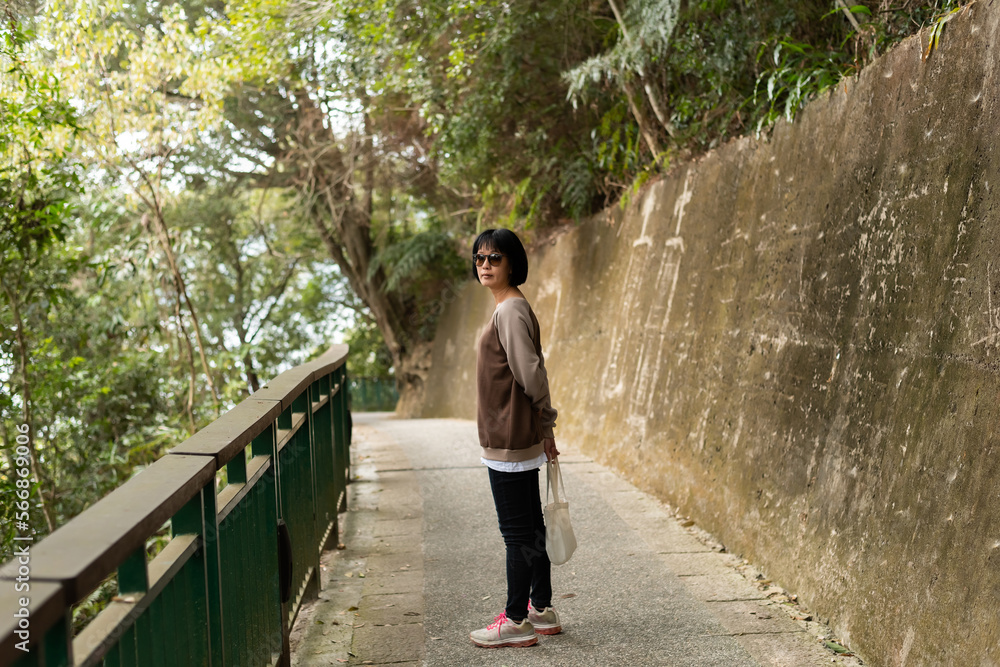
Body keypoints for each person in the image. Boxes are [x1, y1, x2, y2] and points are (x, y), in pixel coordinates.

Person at [468, 228, 563, 649]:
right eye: (479, 259)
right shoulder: (513, 306)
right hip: (516, 438)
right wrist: (543, 430)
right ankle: (541, 608)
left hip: (507, 442)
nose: (485, 265)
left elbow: (531, 374)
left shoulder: (508, 311)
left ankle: (517, 618)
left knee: (516, 533)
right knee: (532, 527)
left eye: (494, 258)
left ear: (512, 263)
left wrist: (547, 423)